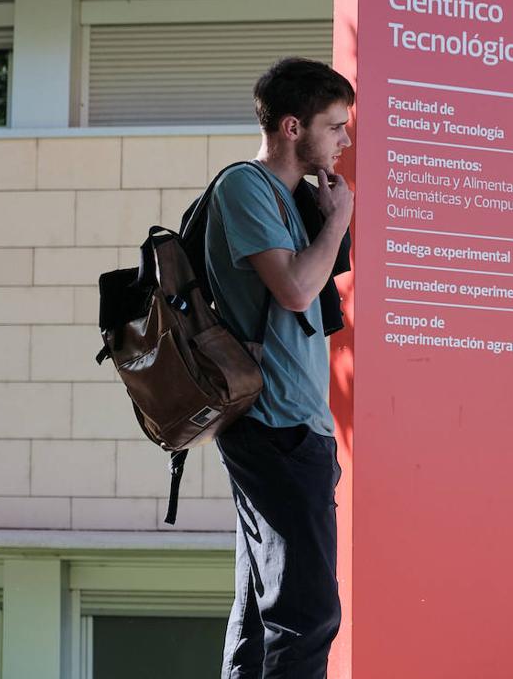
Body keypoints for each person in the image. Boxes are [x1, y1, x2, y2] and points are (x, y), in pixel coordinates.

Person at [206, 57, 354, 679]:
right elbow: (295, 289)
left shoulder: (295, 199)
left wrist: (328, 217)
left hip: (295, 426)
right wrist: (340, 219)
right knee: (308, 612)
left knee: (260, 617)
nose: (346, 141)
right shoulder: (245, 186)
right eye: (337, 127)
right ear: (293, 127)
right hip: (274, 425)